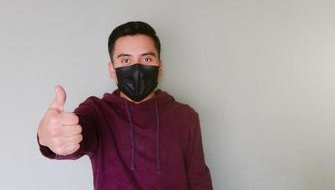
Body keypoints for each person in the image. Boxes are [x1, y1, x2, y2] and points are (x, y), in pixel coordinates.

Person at [37, 21, 213, 190]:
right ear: (112, 70)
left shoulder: (185, 116)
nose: (137, 68)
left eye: (147, 58)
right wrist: (47, 136)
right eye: (125, 61)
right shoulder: (96, 112)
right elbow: (73, 138)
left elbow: (199, 180)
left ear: (160, 68)